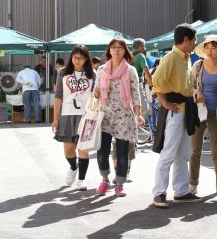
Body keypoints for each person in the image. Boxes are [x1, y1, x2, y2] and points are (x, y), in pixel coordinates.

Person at [151, 24, 202, 208]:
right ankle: (159, 192)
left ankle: (181, 191)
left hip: (185, 109)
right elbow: (156, 81)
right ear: (186, 39)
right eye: (194, 40)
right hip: (175, 110)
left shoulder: (186, 58)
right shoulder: (171, 57)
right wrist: (164, 102)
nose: (195, 43)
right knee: (169, 152)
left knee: (183, 154)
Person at [93, 38, 144, 197]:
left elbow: (136, 93)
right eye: (113, 47)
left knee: (122, 152)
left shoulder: (130, 70)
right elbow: (95, 91)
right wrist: (97, 92)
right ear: (109, 50)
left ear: (125, 50)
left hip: (124, 115)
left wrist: (139, 114)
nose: (116, 50)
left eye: (120, 47)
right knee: (102, 150)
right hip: (105, 115)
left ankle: (120, 184)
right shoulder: (101, 70)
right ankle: (105, 179)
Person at [188, 34, 217, 195]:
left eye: (213, 47)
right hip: (199, 110)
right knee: (195, 150)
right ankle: (192, 184)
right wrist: (197, 91)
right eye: (207, 47)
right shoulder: (198, 66)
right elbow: (190, 86)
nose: (210, 50)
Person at [52, 45, 95, 190]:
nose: (77, 61)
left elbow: (97, 96)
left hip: (86, 115)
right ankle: (73, 167)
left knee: (83, 149)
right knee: (68, 151)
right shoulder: (63, 73)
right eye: (75, 57)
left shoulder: (92, 74)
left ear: (86, 59)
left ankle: (82, 179)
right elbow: (58, 96)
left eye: (81, 58)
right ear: (71, 57)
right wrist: (55, 119)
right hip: (67, 114)